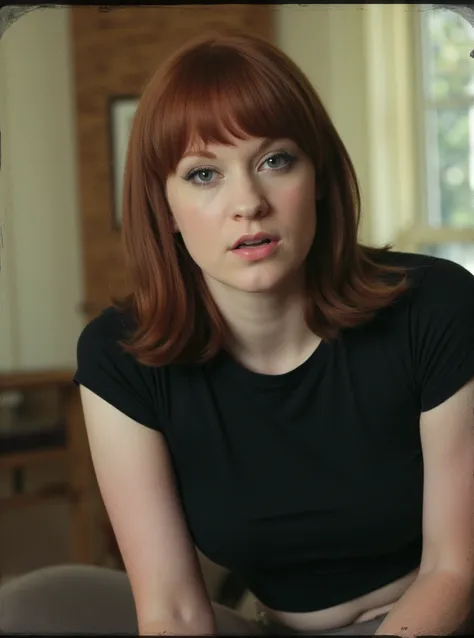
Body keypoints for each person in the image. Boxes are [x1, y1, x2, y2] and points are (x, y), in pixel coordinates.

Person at [74, 29, 474, 636]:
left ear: (318, 177)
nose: (249, 203)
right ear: (166, 208)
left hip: (437, 619)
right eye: (204, 174)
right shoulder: (120, 357)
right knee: (32, 603)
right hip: (270, 627)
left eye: (274, 160)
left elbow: (454, 570)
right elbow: (174, 612)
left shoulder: (437, 306)